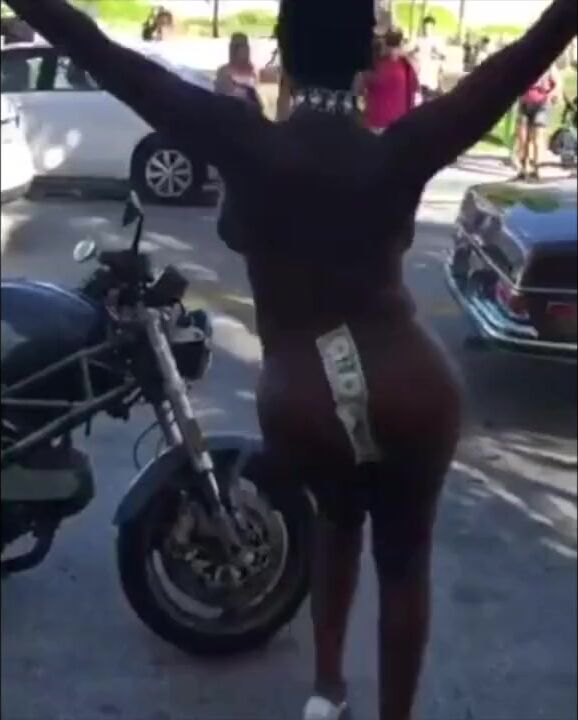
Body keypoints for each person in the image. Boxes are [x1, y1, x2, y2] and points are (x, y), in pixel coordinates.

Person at [4, 1, 577, 718]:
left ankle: (326, 692)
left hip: (304, 401)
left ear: (284, 48)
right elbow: (518, 61)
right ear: (369, 57)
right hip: (412, 385)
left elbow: (103, 53)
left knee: (335, 522)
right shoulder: (405, 144)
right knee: (404, 566)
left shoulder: (240, 137)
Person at [355, 29, 418, 134]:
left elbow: (358, 93)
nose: (393, 49)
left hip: (380, 124)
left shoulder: (374, 66)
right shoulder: (407, 66)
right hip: (393, 125)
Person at [514, 65, 559, 180]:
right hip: (524, 104)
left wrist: (551, 95)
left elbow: (557, 84)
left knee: (537, 138)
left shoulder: (549, 66)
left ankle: (537, 169)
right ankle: (523, 169)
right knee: (523, 139)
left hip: (541, 104)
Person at [215, 32, 263, 112]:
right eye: (240, 46)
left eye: (246, 46)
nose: (247, 49)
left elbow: (256, 99)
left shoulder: (253, 70)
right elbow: (221, 97)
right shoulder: (223, 71)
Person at [410, 14, 446, 102]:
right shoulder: (418, 41)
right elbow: (409, 55)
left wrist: (436, 52)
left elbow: (443, 58)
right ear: (423, 27)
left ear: (433, 28)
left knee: (429, 103)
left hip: (431, 81)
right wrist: (414, 51)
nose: (427, 30)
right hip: (419, 79)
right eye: (425, 27)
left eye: (429, 28)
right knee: (418, 104)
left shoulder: (438, 42)